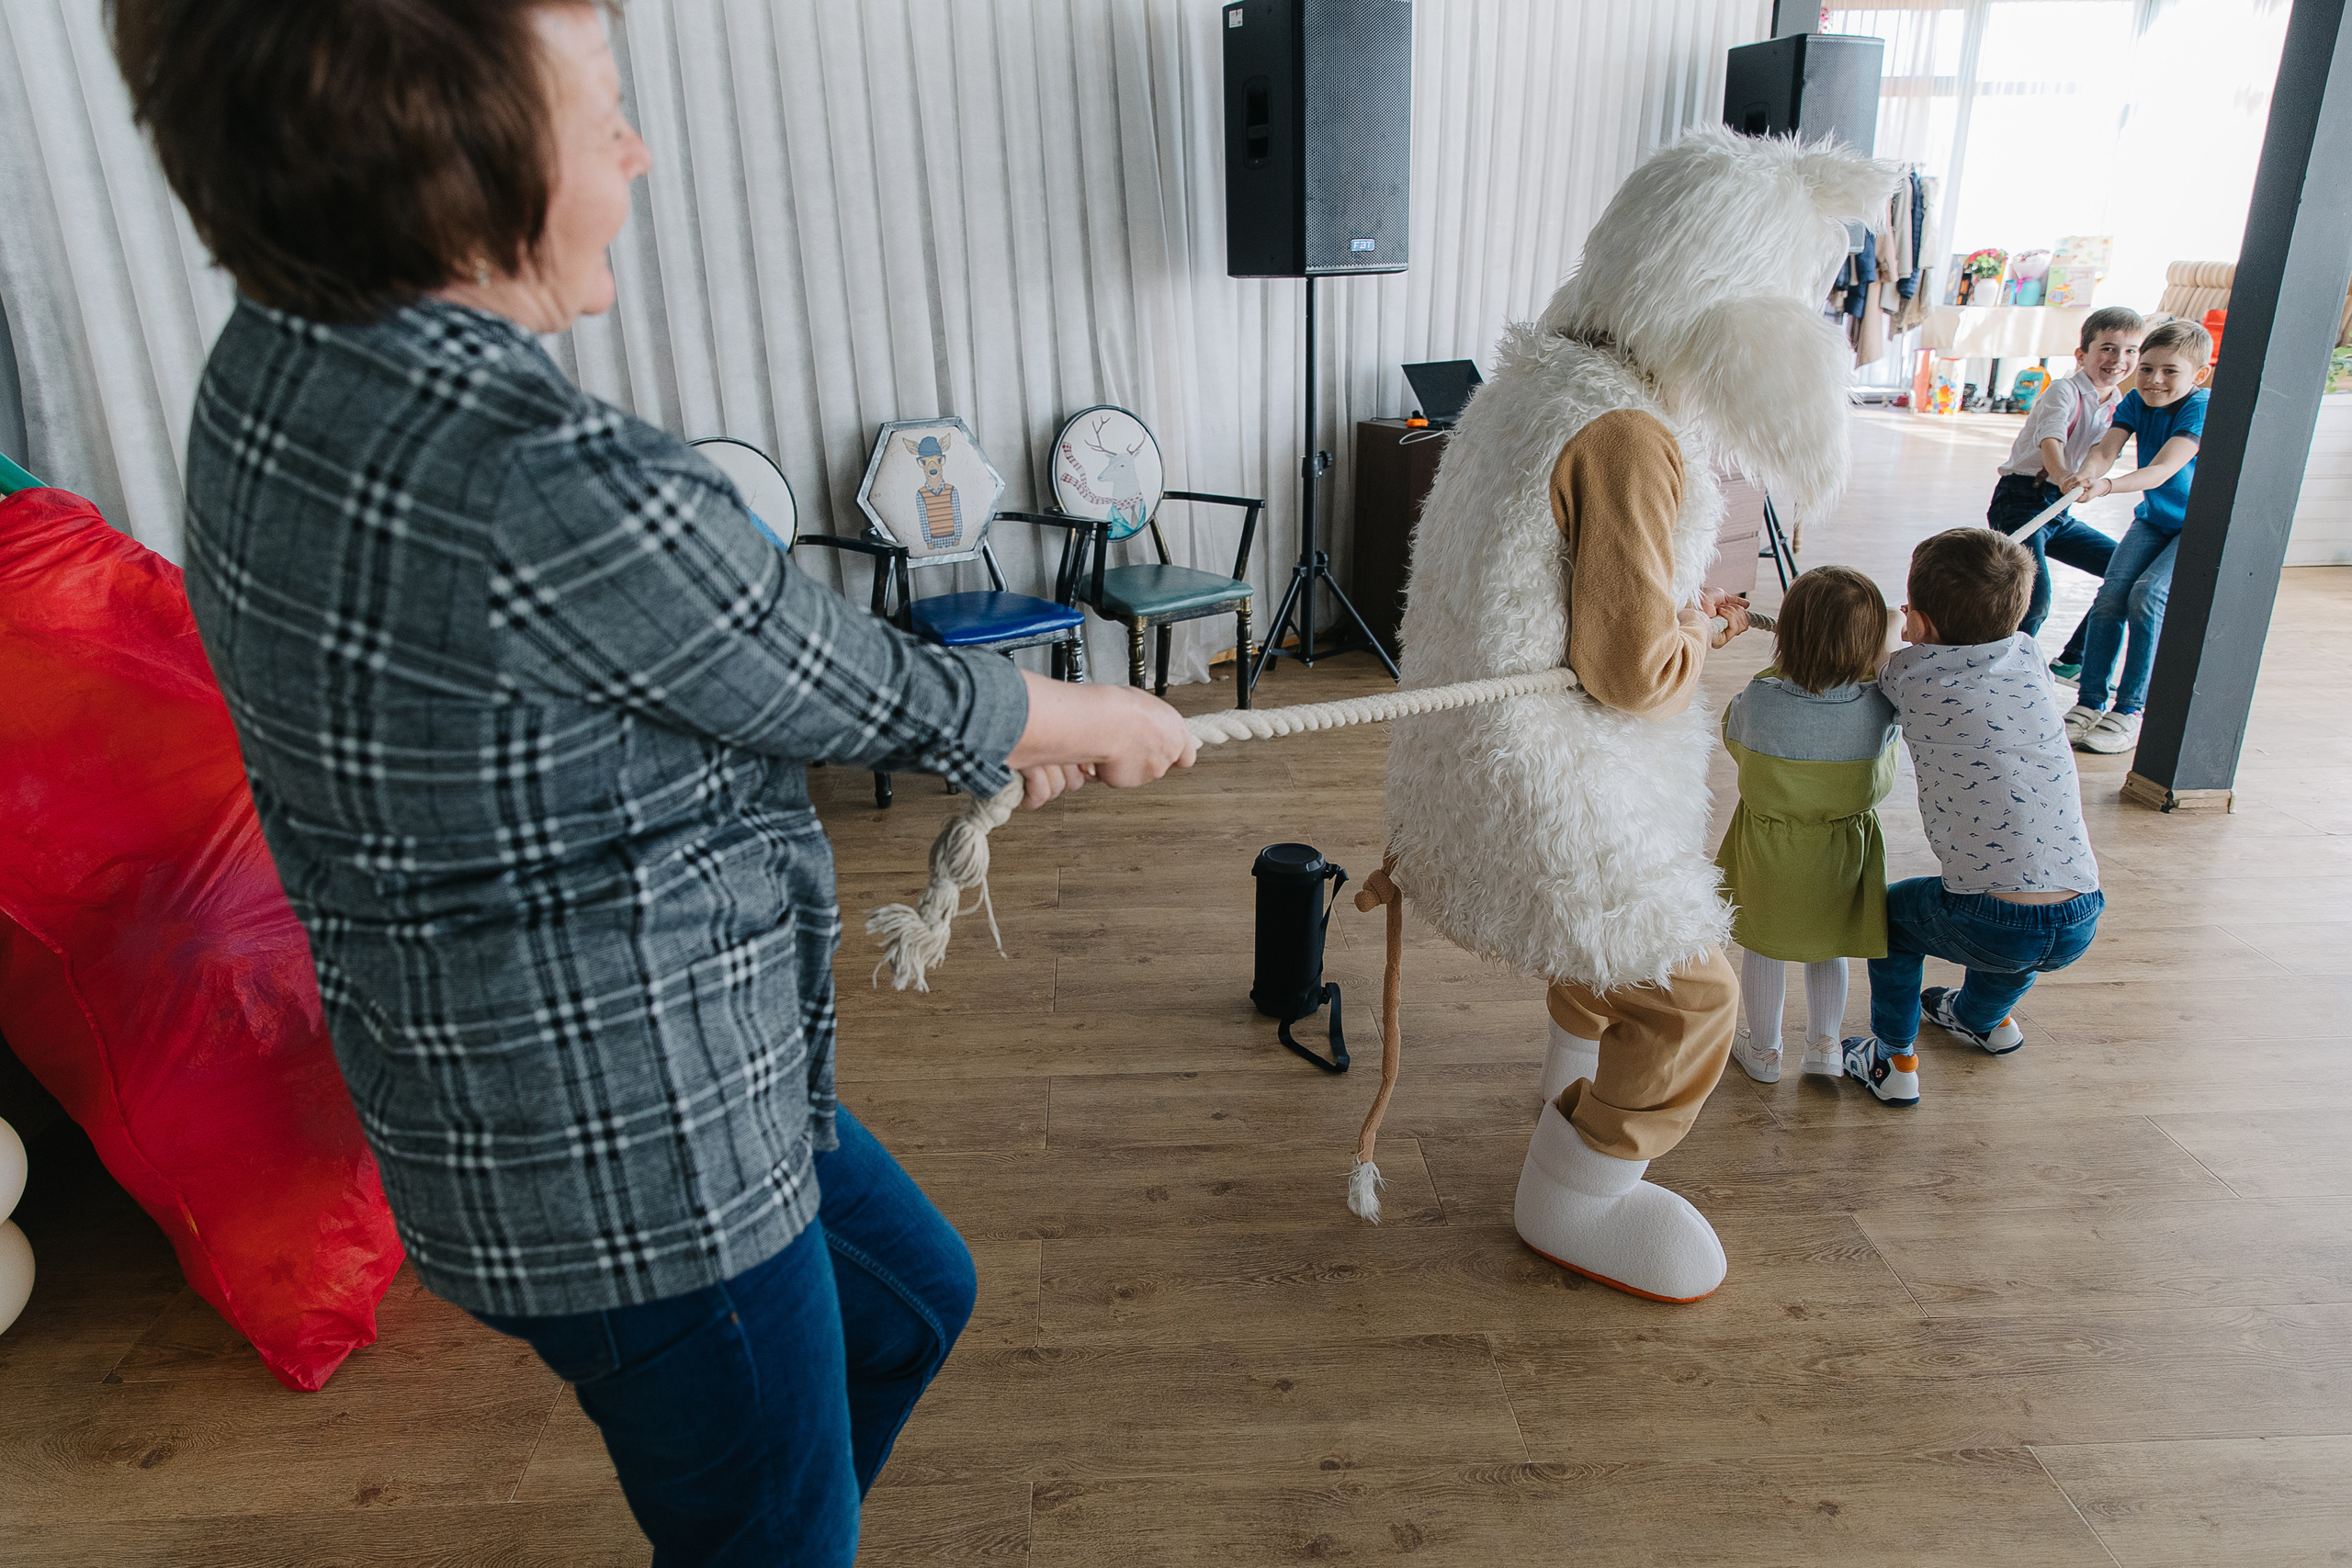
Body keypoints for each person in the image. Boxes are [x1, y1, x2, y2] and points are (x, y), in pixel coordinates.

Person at [111, 5, 1194, 1563]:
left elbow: (646, 682)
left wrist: (1025, 727)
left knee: (908, 1306)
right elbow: (848, 680)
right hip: (636, 1162)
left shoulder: (272, 363)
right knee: (772, 1530)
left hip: (519, 1104)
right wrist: (1088, 716)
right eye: (602, 104)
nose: (638, 147)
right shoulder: (538, 470)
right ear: (445, 157)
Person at [1382, 128, 1894, 1303]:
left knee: (1608, 956)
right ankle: (1574, 1191)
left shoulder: (1539, 376)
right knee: (1694, 998)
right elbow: (1622, 672)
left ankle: (1572, 1075)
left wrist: (1665, 617)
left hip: (1463, 760)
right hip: (1545, 772)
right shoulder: (1629, 432)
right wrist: (1697, 635)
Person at [1842, 529, 2104, 1108]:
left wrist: (1895, 622)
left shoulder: (1910, 675)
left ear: (1923, 623)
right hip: (2081, 910)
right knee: (2020, 928)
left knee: (1890, 919)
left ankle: (1892, 1058)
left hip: (1991, 921)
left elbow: (1868, 660)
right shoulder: (2030, 654)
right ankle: (1981, 1019)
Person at [1714, 567, 1901, 1087]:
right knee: (1830, 944)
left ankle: (1766, 1049)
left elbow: (1732, 736)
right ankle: (1824, 1045)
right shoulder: (1881, 705)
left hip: (1769, 846)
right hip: (1844, 846)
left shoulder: (1761, 698)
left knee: (1764, 945)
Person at [2060, 318, 2213, 755]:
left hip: (2194, 525)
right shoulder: (2133, 402)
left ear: (2198, 375)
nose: (2154, 379)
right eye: (2146, 368)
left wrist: (2106, 487)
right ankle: (2090, 702)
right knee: (2111, 597)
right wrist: (2085, 476)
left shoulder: (2199, 407)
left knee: (2147, 596)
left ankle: (2129, 710)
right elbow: (2105, 450)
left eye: (2170, 371)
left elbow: (2163, 469)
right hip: (2154, 518)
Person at [1984, 306, 2144, 677]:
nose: (2118, 360)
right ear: (2082, 354)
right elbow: (2050, 440)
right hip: (2021, 499)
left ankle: (2072, 658)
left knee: (2126, 571)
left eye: (2131, 351)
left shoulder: (2121, 405)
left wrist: (2081, 483)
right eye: (2107, 348)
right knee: (2034, 599)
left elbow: (2102, 454)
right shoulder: (2064, 390)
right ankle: (2004, 674)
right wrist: (2063, 476)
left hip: (2059, 508)